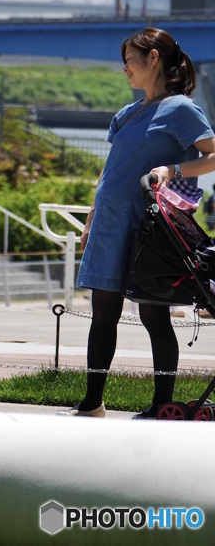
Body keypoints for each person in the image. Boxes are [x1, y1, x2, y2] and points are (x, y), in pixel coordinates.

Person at [60, 27, 215, 419]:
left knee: (153, 313)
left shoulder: (181, 108)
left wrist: (173, 168)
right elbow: (109, 171)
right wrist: (92, 218)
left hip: (151, 228)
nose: (125, 68)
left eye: (130, 59)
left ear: (153, 59)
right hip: (111, 223)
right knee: (103, 313)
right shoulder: (126, 114)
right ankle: (93, 401)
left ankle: (162, 403)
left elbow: (213, 155)